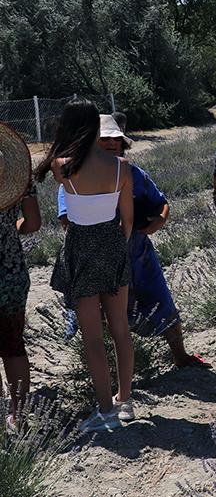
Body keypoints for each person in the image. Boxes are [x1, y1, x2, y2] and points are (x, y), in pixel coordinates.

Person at [59, 115, 211, 369]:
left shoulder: (135, 174)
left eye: (115, 139)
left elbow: (161, 203)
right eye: (104, 139)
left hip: (138, 255)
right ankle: (107, 372)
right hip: (96, 259)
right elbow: (66, 219)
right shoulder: (76, 175)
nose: (110, 144)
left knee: (163, 304)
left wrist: (158, 221)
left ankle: (180, 357)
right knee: (100, 318)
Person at [34, 100, 134, 433]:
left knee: (93, 337)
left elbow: (53, 164)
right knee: (120, 328)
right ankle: (126, 400)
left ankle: (106, 411)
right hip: (113, 243)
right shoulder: (122, 167)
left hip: (81, 246)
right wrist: (115, 246)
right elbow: (128, 221)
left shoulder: (62, 167)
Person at [1, 166, 40, 431]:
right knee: (13, 345)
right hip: (11, 272)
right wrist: (10, 228)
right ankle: (20, 417)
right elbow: (33, 222)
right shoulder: (19, 178)